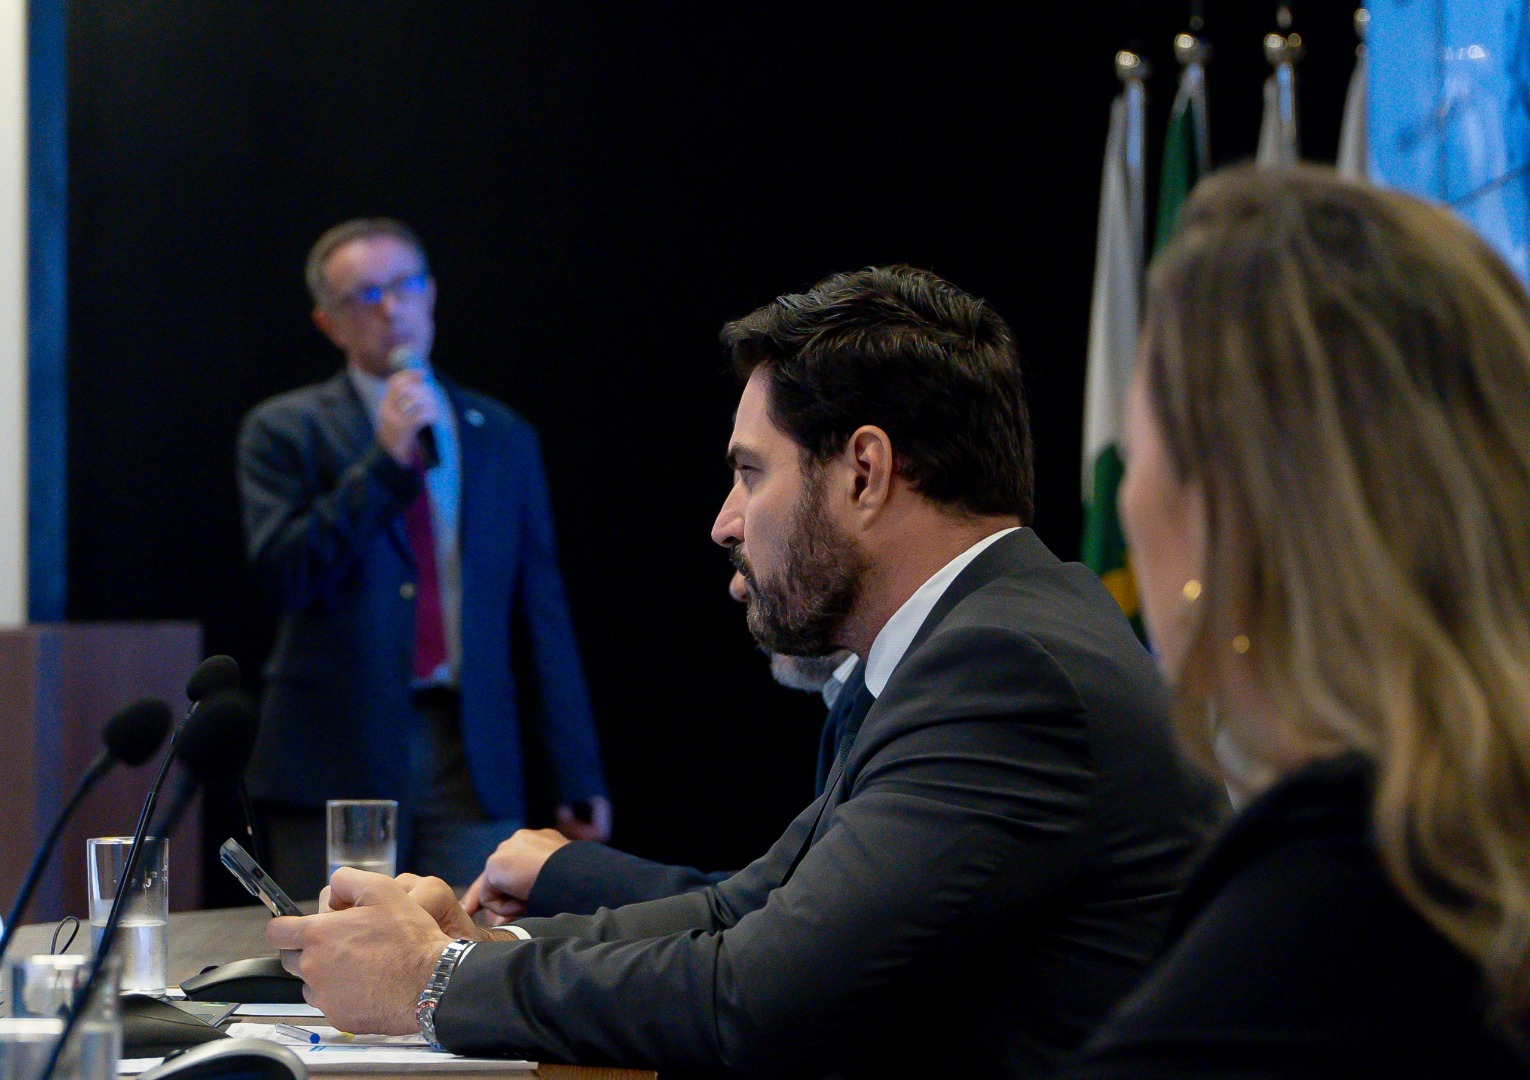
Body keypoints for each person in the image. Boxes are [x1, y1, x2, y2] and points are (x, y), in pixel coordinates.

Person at [269, 264, 1222, 1078]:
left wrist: (432, 981)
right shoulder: (967, 639)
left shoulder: (1004, 669)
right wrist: (475, 944)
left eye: (751, 472)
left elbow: (755, 997)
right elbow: (750, 907)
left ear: (864, 473)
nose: (724, 522)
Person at [1060, 165, 1530, 1078]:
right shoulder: (1465, 853)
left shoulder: (1340, 914)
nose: (1124, 500)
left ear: (1228, 512)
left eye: (1139, 448)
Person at [238, 218, 609, 896]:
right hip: (335, 754)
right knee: (337, 945)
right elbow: (286, 573)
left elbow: (542, 611)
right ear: (328, 323)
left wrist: (576, 769)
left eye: (405, 285)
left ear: (431, 294)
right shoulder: (285, 429)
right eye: (364, 295)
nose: (391, 308)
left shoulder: (501, 434)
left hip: (470, 749)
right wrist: (384, 463)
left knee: (468, 939)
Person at [465, 572, 857, 920]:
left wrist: (564, 874)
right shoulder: (857, 707)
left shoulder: (889, 716)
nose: (738, 586)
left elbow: (781, 925)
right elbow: (773, 906)